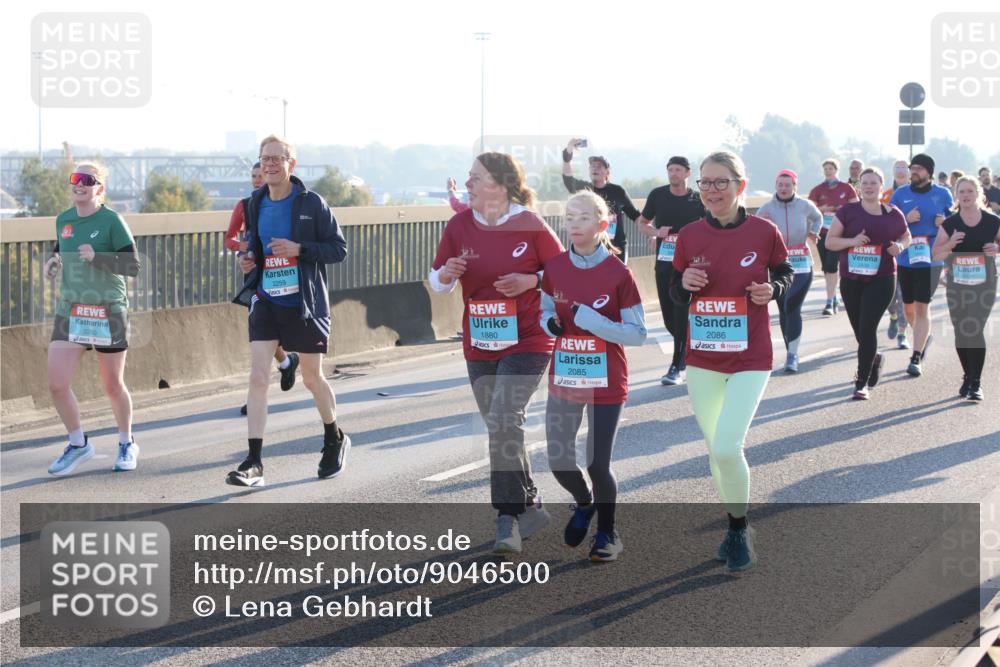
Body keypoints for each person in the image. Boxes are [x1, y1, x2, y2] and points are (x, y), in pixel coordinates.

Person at [430, 152, 564, 554]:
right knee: (500, 426)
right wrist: (446, 274)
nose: (467, 185)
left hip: (528, 338)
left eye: (475, 178)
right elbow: (436, 282)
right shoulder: (459, 225)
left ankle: (507, 518)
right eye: (469, 179)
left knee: (506, 416)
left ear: (500, 186)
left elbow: (566, 274)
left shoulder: (530, 225)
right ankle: (529, 504)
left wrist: (531, 280)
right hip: (480, 340)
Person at [670, 151, 793, 572]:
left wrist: (773, 289)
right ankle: (732, 522)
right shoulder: (688, 236)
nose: (711, 190)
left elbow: (787, 270)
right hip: (703, 357)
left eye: (720, 182)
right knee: (714, 449)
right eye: (705, 182)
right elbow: (674, 290)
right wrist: (684, 283)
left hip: (750, 356)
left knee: (727, 444)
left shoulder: (764, 231)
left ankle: (739, 529)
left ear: (740, 185)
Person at [229, 135, 349, 487]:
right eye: (264, 159)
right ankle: (254, 462)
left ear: (290, 164)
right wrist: (246, 260)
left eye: (276, 159)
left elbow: (338, 249)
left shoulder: (312, 203)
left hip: (305, 302)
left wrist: (300, 249)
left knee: (312, 378)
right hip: (266, 298)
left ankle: (334, 437)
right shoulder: (254, 202)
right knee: (257, 377)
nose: (269, 165)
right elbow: (251, 245)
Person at [540, 191, 646, 562]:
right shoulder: (554, 268)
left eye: (583, 218)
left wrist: (595, 322)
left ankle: (607, 533)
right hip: (567, 375)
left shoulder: (619, 273)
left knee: (597, 464)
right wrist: (550, 323)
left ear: (602, 225)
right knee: (557, 457)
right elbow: (545, 310)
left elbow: (638, 333)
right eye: (569, 218)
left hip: (606, 379)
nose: (573, 225)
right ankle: (584, 503)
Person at [45, 162, 141, 476]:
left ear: (99, 188)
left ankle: (126, 442)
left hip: (107, 308)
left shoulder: (112, 221)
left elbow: (133, 266)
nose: (80, 184)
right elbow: (61, 250)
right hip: (71, 309)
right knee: (57, 383)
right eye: (75, 178)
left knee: (112, 384)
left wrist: (97, 258)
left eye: (88, 180)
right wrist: (54, 263)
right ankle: (78, 444)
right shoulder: (64, 220)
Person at [824, 168, 910, 400]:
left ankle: (861, 383)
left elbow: (906, 235)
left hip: (882, 278)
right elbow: (830, 242)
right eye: (865, 183)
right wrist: (852, 241)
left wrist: (900, 247)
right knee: (859, 330)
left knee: (867, 327)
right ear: (859, 186)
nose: (869, 187)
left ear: (882, 187)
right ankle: (874, 358)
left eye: (874, 183)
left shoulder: (893, 213)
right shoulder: (848, 211)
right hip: (852, 279)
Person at [225, 161, 299, 415]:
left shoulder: (285, 203)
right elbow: (229, 238)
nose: (257, 180)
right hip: (255, 271)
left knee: (270, 330)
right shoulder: (246, 205)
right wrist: (242, 248)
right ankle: (282, 366)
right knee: (260, 332)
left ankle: (288, 362)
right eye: (254, 176)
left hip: (284, 271)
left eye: (260, 175)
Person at [635, 156, 705, 385]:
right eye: (670, 170)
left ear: (687, 173)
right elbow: (641, 224)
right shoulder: (658, 195)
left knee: (681, 311)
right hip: (665, 262)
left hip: (691, 265)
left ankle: (676, 366)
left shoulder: (698, 198)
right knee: (668, 319)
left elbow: (711, 227)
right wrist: (657, 234)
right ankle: (690, 352)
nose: (673, 174)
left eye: (677, 170)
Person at [932, 176, 1000, 401]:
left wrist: (996, 248)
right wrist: (950, 244)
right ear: (957, 195)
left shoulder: (992, 221)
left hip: (985, 284)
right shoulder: (950, 224)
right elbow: (937, 254)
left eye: (970, 191)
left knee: (974, 328)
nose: (966, 195)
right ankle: (968, 376)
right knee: (961, 331)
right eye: (962, 191)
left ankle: (977, 383)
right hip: (958, 285)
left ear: (979, 193)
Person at [890, 153, 955, 377]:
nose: (913, 171)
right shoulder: (900, 194)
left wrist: (944, 222)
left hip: (932, 257)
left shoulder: (942, 194)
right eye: (912, 168)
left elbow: (955, 221)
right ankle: (922, 336)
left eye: (918, 168)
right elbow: (889, 224)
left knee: (921, 306)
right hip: (906, 257)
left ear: (929, 172)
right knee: (908, 307)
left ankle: (916, 356)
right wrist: (906, 219)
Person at [756, 170, 823, 372]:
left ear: (795, 187)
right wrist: (764, 225)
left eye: (788, 185)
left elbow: (818, 218)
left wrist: (814, 232)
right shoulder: (766, 208)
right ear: (775, 186)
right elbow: (754, 231)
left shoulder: (804, 205)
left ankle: (792, 355)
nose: (784, 188)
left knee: (792, 304)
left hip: (802, 263)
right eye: (780, 185)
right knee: (784, 309)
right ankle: (790, 352)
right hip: (779, 264)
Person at [562, 139, 640, 262]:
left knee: (617, 279)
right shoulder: (584, 189)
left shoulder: (618, 191)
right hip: (592, 248)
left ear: (607, 172)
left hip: (615, 247)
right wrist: (568, 153)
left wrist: (652, 234)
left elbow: (635, 216)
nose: (595, 168)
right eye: (592, 166)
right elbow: (567, 178)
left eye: (599, 166)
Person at [808, 159, 859, 316]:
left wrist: (841, 210)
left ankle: (829, 302)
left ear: (837, 170)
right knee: (827, 267)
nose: (828, 171)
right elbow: (809, 210)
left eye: (831, 168)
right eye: (826, 168)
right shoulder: (818, 189)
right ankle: (833, 296)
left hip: (840, 234)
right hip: (823, 232)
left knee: (831, 265)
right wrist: (822, 208)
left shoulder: (846, 188)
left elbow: (856, 207)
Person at [882, 160, 912, 349]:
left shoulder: (915, 193)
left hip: (911, 250)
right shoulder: (886, 195)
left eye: (904, 168)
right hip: (889, 250)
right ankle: (893, 316)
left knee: (904, 296)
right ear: (892, 172)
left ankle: (902, 333)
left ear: (909, 172)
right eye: (897, 168)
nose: (900, 172)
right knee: (889, 296)